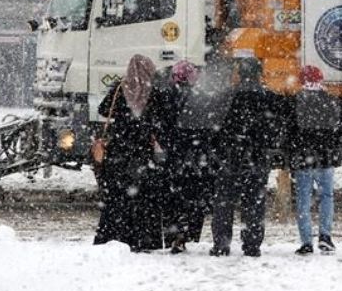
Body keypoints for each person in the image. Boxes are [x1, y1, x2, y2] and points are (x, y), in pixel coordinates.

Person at [93, 54, 168, 252]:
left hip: (118, 151)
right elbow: (161, 120)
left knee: (117, 198)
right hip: (142, 153)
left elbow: (102, 110)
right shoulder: (154, 92)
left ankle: (113, 236)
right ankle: (141, 239)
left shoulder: (119, 88)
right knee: (142, 199)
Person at [209, 59, 273, 257]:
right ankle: (252, 244)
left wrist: (219, 150)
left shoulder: (227, 96)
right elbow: (273, 130)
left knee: (224, 202)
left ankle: (221, 243)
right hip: (257, 157)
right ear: (259, 74)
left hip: (230, 157)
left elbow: (216, 127)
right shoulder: (268, 97)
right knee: (254, 202)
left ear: (240, 73)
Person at [162, 60, 217, 254]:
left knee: (174, 196)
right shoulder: (201, 98)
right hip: (197, 156)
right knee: (195, 197)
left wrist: (169, 144)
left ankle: (175, 234)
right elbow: (210, 127)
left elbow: (163, 125)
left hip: (176, 154)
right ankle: (191, 234)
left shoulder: (167, 96)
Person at [287, 65, 342, 255]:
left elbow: (290, 132)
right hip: (325, 157)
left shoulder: (296, 100)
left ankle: (306, 242)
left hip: (304, 158)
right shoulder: (330, 100)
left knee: (303, 199)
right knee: (326, 197)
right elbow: (337, 129)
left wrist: (293, 152)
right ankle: (325, 237)